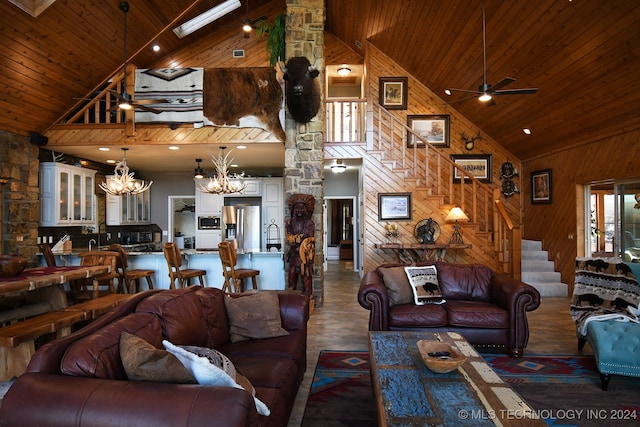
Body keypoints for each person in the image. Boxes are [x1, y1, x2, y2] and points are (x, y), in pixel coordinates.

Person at [285, 194, 315, 296]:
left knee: (306, 281)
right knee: (291, 280)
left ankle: (308, 302)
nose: (299, 210)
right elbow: (289, 238)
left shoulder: (309, 223)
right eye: (296, 208)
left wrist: (297, 239)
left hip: (305, 257)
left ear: (306, 210)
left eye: (301, 208)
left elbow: (308, 238)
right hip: (293, 256)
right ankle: (290, 302)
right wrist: (296, 238)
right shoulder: (290, 223)